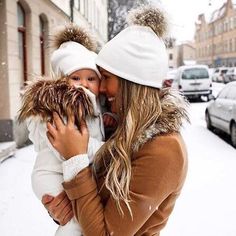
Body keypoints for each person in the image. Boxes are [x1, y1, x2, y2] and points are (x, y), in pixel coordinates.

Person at [44, 5, 189, 235]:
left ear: (130, 84)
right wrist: (63, 207)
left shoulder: (164, 149)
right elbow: (93, 198)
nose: (99, 88)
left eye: (107, 78)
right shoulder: (120, 127)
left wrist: (75, 159)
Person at [18, 25, 105, 236]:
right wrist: (106, 150)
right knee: (75, 222)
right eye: (76, 78)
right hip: (50, 174)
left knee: (80, 218)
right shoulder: (64, 106)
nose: (84, 84)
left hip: (67, 172)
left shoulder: (97, 104)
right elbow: (68, 144)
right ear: (62, 81)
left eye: (91, 78)